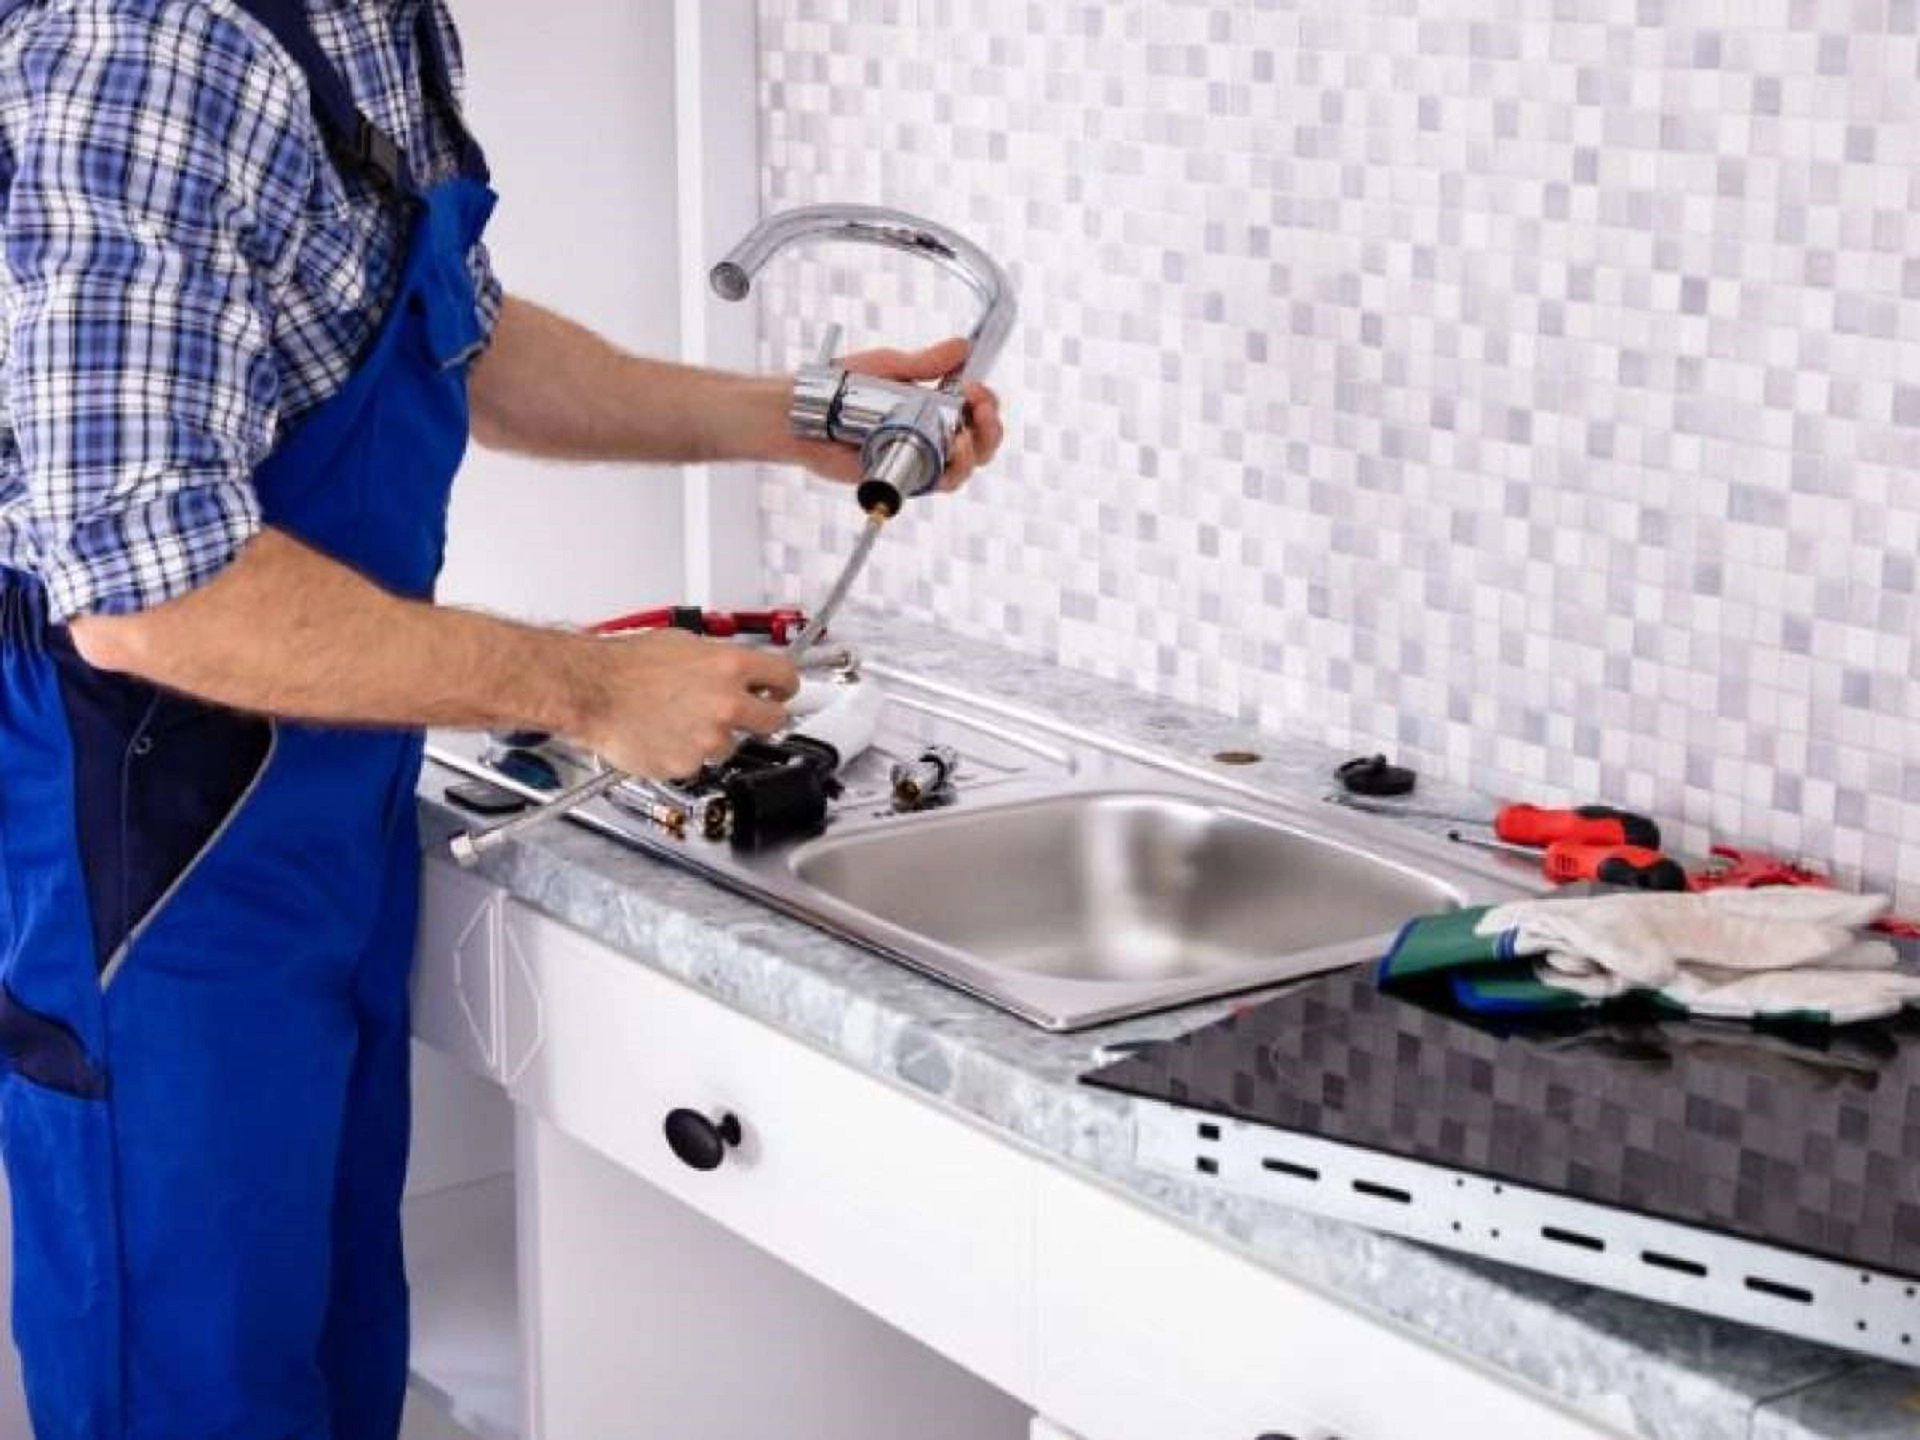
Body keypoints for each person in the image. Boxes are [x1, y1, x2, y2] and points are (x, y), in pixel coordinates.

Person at [0, 1, 1005, 1436]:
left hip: (320, 805)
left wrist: (797, 416)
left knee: (333, 1356)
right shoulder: (157, 51)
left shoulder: (372, 20)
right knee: (195, 1381)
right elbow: (146, 588)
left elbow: (450, 336)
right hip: (156, 849)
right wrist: (591, 689)